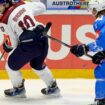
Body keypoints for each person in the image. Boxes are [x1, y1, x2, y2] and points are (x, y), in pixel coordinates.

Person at [0, 0, 60, 97]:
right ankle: (53, 87)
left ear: (6, 4)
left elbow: (14, 43)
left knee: (10, 65)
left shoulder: (4, 21)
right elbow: (42, 7)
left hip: (30, 43)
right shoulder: (22, 4)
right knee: (37, 65)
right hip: (42, 36)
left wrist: (8, 45)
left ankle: (19, 89)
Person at [70, 0, 105, 104]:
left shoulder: (100, 20)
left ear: (96, 9)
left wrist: (86, 48)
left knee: (101, 72)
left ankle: (101, 100)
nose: (92, 13)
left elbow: (102, 41)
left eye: (92, 10)